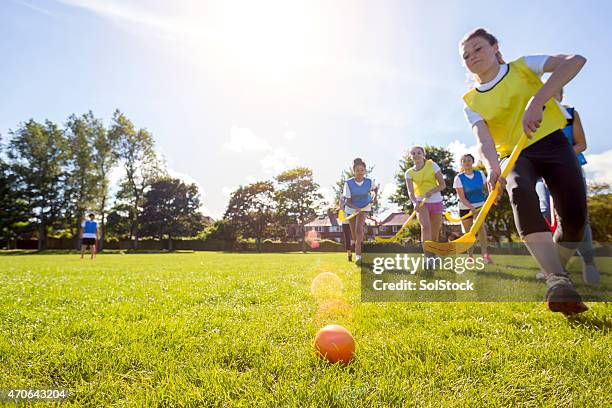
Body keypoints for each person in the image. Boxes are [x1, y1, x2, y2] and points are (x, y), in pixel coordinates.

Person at [460, 28, 588, 315]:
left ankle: (554, 267)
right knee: (521, 193)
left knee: (575, 220)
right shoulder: (471, 100)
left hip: (553, 143)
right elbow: (483, 139)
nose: (472, 57)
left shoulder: (523, 66)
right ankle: (557, 280)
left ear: (495, 48)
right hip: (514, 156)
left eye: (478, 49)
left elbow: (575, 60)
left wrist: (538, 99)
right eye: (466, 56)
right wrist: (493, 167)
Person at [535, 88, 599, 284]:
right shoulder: (537, 116)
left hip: (570, 170)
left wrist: (559, 160)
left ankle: (588, 262)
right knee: (545, 213)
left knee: (577, 216)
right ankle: (554, 266)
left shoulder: (570, 114)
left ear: (561, 95)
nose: (552, 95)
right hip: (542, 175)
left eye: (556, 92)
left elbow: (581, 144)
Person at [405, 145, 446, 264]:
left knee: (434, 233)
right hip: (421, 203)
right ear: (411, 157)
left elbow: (442, 184)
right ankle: (428, 258)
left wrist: (432, 191)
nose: (416, 155)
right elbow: (410, 192)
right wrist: (414, 202)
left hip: (436, 201)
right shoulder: (409, 173)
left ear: (423, 155)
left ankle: (434, 255)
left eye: (418, 152)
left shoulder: (432, 165)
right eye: (413, 153)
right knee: (425, 227)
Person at [453, 153, 493, 263]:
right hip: (465, 207)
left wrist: (491, 197)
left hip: (480, 206)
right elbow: (461, 197)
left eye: (469, 160)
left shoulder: (480, 174)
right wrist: (471, 207)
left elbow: (487, 188)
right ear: (461, 164)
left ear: (472, 161)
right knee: (469, 233)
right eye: (464, 160)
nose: (467, 162)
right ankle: (470, 256)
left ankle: (485, 255)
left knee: (481, 228)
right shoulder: (458, 178)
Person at [343, 158, 378, 265]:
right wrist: (354, 207)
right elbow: (347, 201)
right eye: (357, 170)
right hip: (351, 208)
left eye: (362, 170)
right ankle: (356, 243)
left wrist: (375, 198)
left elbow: (375, 189)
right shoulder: (348, 183)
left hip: (364, 207)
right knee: (354, 234)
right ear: (354, 171)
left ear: (365, 171)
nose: (360, 172)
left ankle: (358, 256)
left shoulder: (369, 181)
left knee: (359, 230)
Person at [338, 194, 354, 262]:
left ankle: (358, 253)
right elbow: (341, 207)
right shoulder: (342, 197)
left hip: (353, 222)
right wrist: (343, 202)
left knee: (355, 237)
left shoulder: (353, 195)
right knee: (347, 239)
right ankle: (349, 254)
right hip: (345, 223)